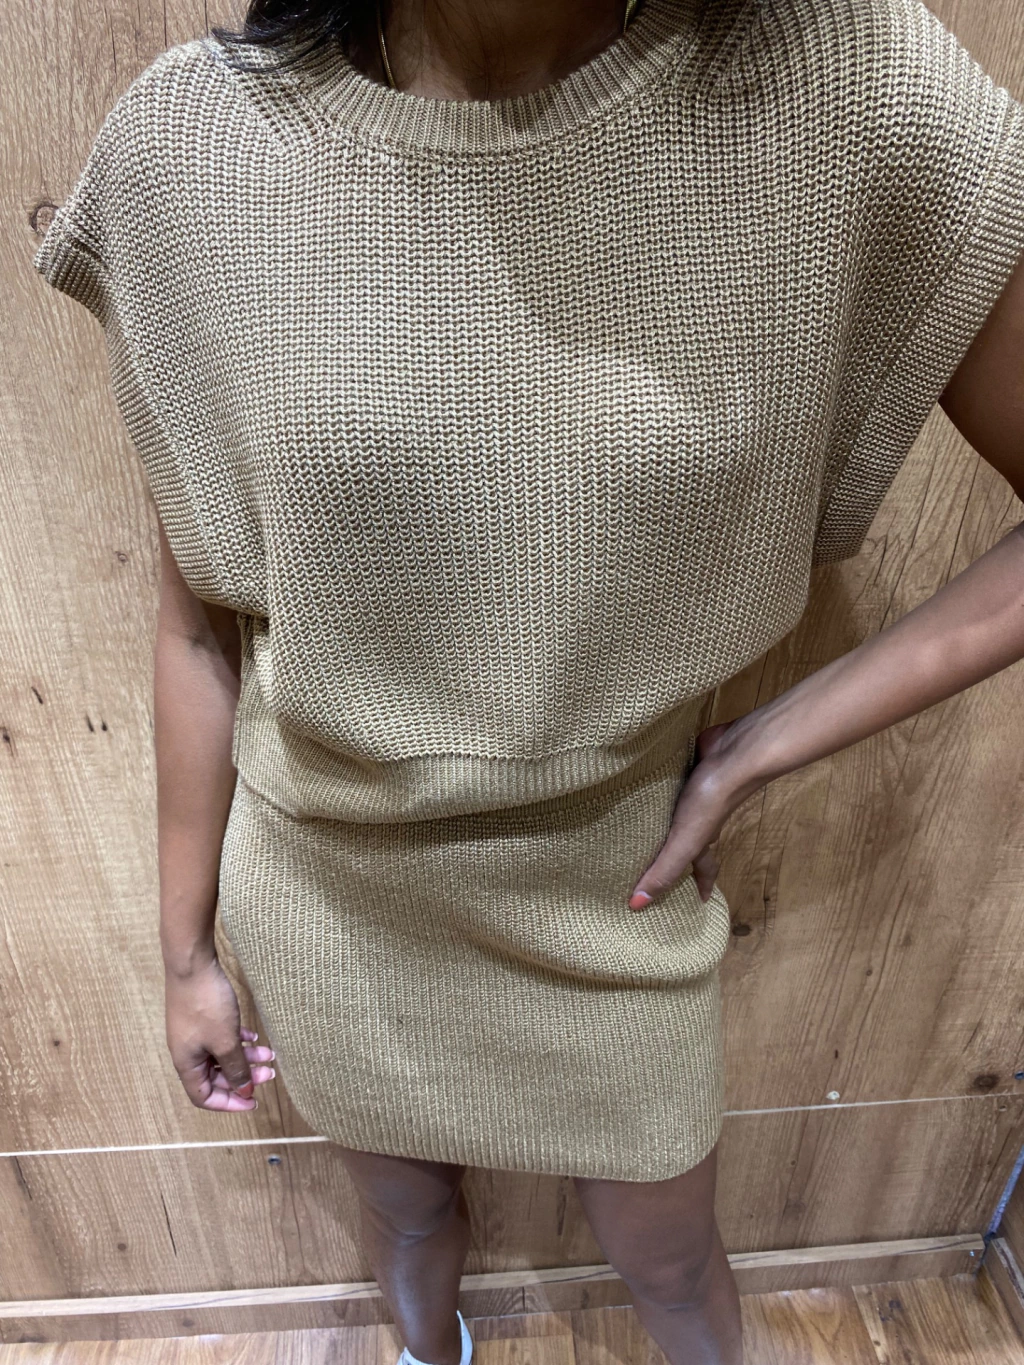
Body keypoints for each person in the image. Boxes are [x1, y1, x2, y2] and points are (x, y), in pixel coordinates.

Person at [31, 0, 1024, 1360]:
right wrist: (186, 956)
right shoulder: (191, 149)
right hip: (333, 906)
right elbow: (199, 629)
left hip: (615, 901)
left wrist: (758, 747)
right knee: (405, 1223)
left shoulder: (845, 89)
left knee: (672, 1265)